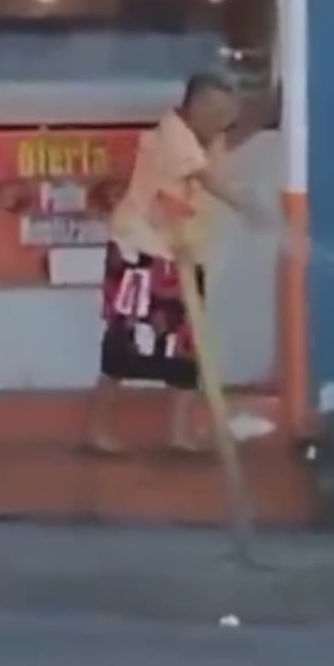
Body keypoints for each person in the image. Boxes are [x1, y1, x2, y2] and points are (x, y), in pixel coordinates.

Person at [85, 73, 272, 453]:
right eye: (217, 112)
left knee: (188, 348)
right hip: (141, 250)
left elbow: (230, 140)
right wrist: (248, 207)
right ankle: (96, 427)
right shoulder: (171, 135)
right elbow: (209, 180)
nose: (224, 121)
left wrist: (269, 105)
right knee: (125, 346)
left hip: (184, 252)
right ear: (195, 108)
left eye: (227, 114)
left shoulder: (209, 137)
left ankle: (178, 433)